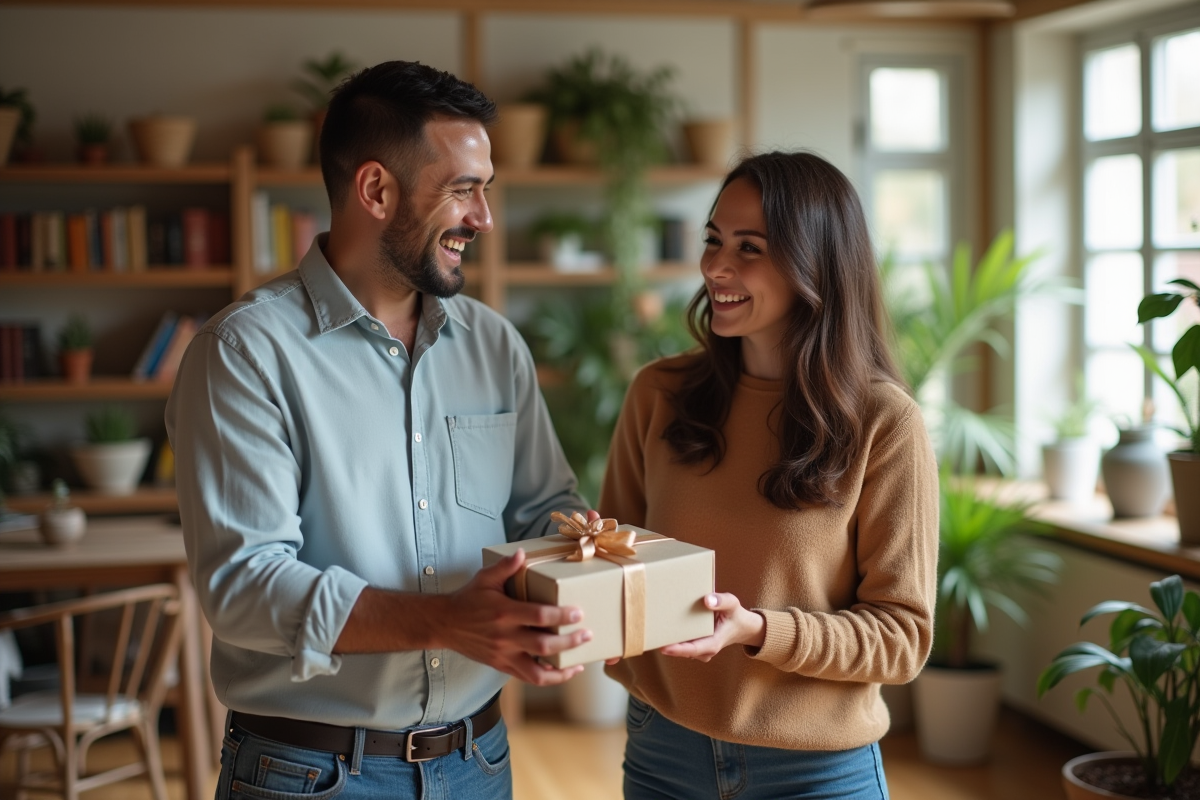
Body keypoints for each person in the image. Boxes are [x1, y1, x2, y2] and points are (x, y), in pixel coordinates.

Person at [165, 61, 595, 800]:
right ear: (376, 190)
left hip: (482, 761)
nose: (483, 218)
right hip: (310, 775)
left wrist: (583, 552)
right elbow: (244, 585)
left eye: (485, 190)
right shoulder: (243, 353)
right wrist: (445, 622)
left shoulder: (495, 346)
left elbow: (540, 509)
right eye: (462, 189)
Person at [599, 151, 939, 799]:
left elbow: (902, 639)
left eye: (749, 248)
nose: (715, 266)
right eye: (714, 240)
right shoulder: (658, 393)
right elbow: (620, 565)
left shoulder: (884, 422)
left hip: (814, 769)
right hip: (664, 748)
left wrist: (759, 630)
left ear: (816, 265)